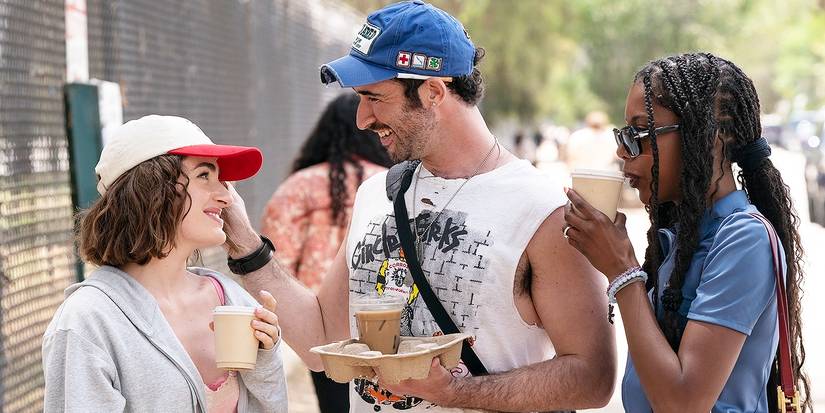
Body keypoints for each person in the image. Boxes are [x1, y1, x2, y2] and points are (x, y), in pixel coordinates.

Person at [221, 2, 615, 412]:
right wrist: (244, 241)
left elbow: (593, 378)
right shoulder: (377, 193)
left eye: (374, 97)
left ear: (433, 92)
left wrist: (456, 393)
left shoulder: (541, 208)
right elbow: (321, 339)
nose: (361, 119)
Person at [562, 53, 810, 412]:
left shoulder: (745, 239)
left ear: (710, 138)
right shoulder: (678, 236)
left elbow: (682, 402)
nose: (622, 151)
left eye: (640, 133)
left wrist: (623, 271)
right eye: (624, 134)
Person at [42, 115, 288, 412]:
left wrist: (265, 360)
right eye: (204, 175)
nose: (227, 197)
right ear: (151, 189)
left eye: (221, 180)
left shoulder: (231, 299)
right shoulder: (89, 321)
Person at [260, 92, 391, 413]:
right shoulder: (392, 183)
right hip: (389, 323)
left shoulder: (298, 188)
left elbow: (276, 265)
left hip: (321, 329)